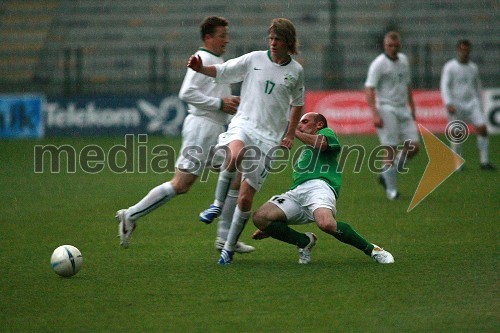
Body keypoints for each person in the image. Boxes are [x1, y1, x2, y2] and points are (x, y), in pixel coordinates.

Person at [115, 16, 254, 253]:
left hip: (213, 129)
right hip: (201, 129)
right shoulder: (202, 59)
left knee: (238, 170)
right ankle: (130, 215)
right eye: (222, 35)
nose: (226, 40)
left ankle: (224, 238)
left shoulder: (215, 61)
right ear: (208, 37)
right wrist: (219, 104)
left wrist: (229, 107)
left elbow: (218, 100)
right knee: (181, 184)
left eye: (226, 35)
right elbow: (186, 93)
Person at [187, 18, 305, 265]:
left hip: (269, 139)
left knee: (245, 199)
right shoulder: (254, 59)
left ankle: (228, 248)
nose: (272, 43)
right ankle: (217, 204)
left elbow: (297, 104)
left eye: (278, 39)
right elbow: (222, 71)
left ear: (288, 43)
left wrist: (291, 133)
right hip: (244, 124)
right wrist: (200, 69)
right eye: (270, 38)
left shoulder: (296, 72)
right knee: (234, 153)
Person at [251, 112, 394, 264]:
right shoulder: (306, 150)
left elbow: (321, 144)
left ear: (319, 124)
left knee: (327, 224)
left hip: (320, 188)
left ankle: (372, 249)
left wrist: (292, 130)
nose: (300, 125)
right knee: (261, 217)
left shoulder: (326, 133)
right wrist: (275, 228)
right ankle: (304, 241)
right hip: (297, 192)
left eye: (305, 122)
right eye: (299, 123)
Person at [365, 31, 420, 200]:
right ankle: (392, 191)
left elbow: (407, 84)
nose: (393, 48)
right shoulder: (379, 64)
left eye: (395, 45)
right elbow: (369, 89)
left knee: (414, 146)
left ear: (399, 45)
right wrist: (375, 113)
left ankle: (386, 174)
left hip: (403, 108)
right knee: (390, 147)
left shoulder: (403, 60)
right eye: (390, 45)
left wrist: (412, 105)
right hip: (386, 108)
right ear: (384, 46)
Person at [440, 39, 495, 170]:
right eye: (462, 50)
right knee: (457, 133)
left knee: (482, 128)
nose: (464, 52)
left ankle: (484, 161)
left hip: (472, 103)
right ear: (458, 50)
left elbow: (477, 87)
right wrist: (448, 103)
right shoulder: (450, 67)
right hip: (456, 103)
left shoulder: (473, 67)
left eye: (467, 50)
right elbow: (444, 86)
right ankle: (458, 163)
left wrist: (480, 104)